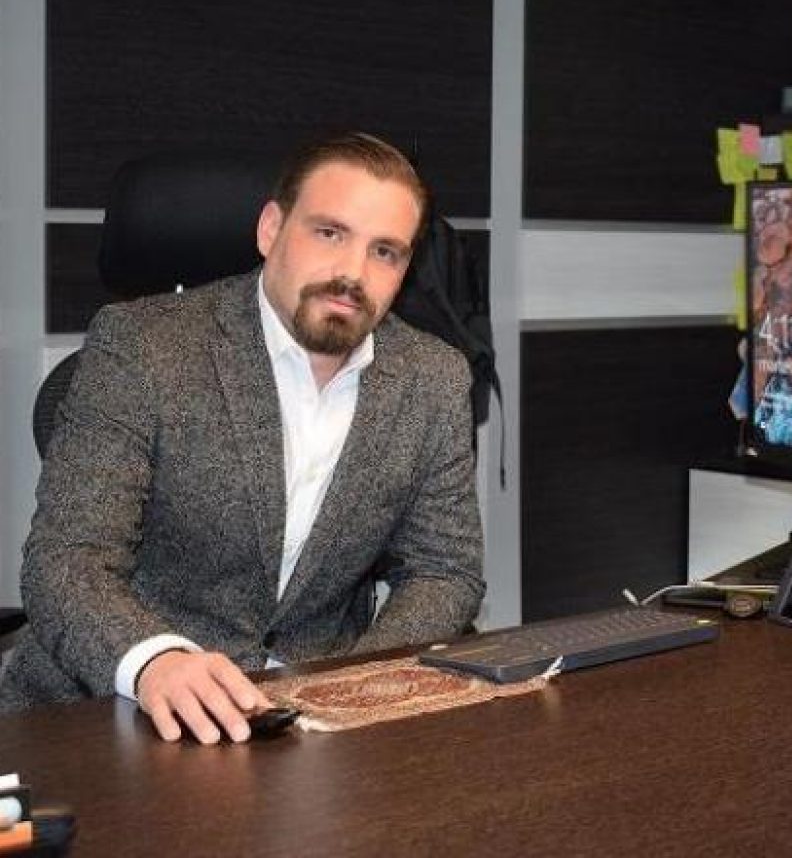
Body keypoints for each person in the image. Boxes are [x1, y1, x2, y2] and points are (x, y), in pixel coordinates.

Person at [0, 132, 485, 743]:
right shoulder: (142, 346)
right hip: (112, 714)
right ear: (271, 229)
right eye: (329, 233)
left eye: (384, 251)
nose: (352, 273)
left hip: (306, 726)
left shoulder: (433, 378)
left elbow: (445, 572)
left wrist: (356, 686)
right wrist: (153, 660)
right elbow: (66, 558)